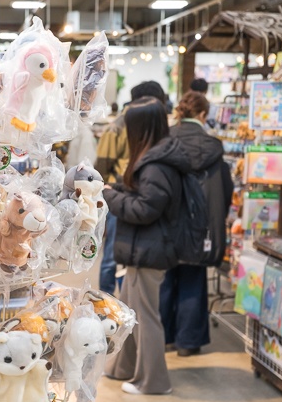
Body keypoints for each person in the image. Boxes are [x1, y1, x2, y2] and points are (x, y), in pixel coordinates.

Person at [158, 91, 232, 356]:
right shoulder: (213, 148)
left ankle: (163, 338)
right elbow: (224, 190)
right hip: (201, 228)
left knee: (165, 281)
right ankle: (188, 343)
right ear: (203, 115)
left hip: (166, 224)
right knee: (193, 279)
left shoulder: (164, 141)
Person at [94, 81, 169, 295]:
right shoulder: (117, 127)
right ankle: (105, 302)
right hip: (119, 196)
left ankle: (125, 302)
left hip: (138, 196)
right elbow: (102, 165)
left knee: (129, 257)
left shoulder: (151, 126)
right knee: (112, 255)